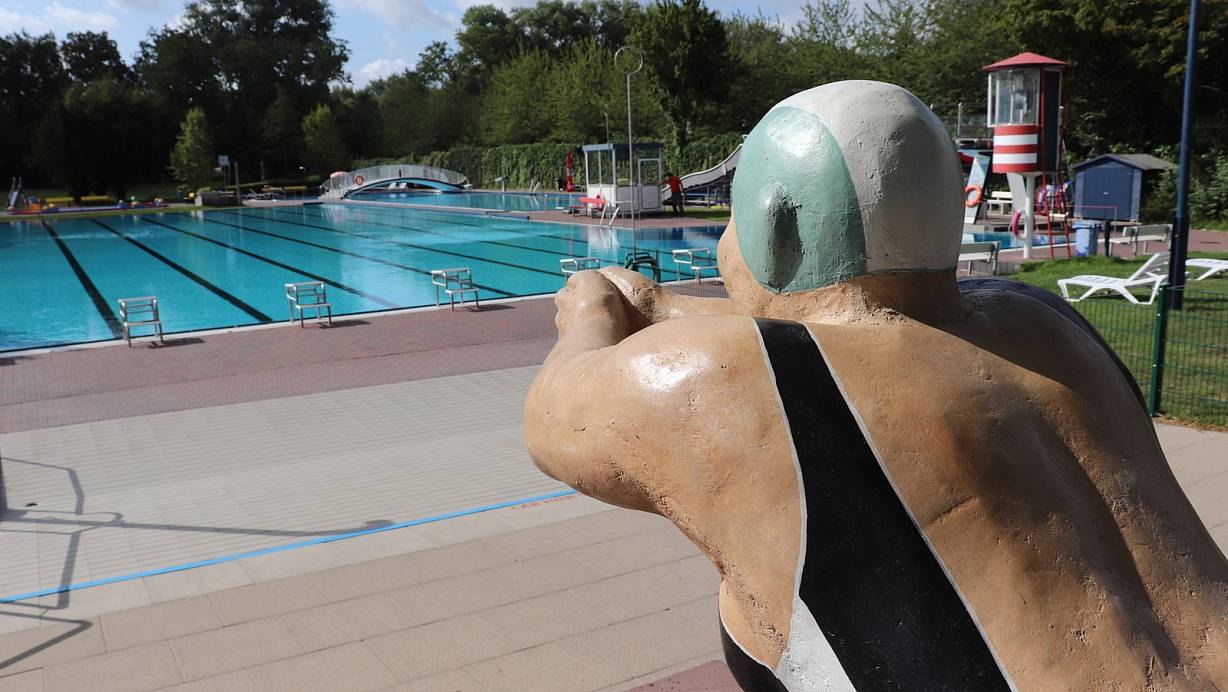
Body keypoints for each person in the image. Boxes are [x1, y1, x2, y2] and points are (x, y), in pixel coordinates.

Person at [524, 81, 1228, 690]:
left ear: (777, 223)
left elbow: (556, 410)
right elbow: (862, 330)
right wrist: (660, 304)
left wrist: (589, 309)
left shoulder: (725, 378)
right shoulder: (1046, 323)